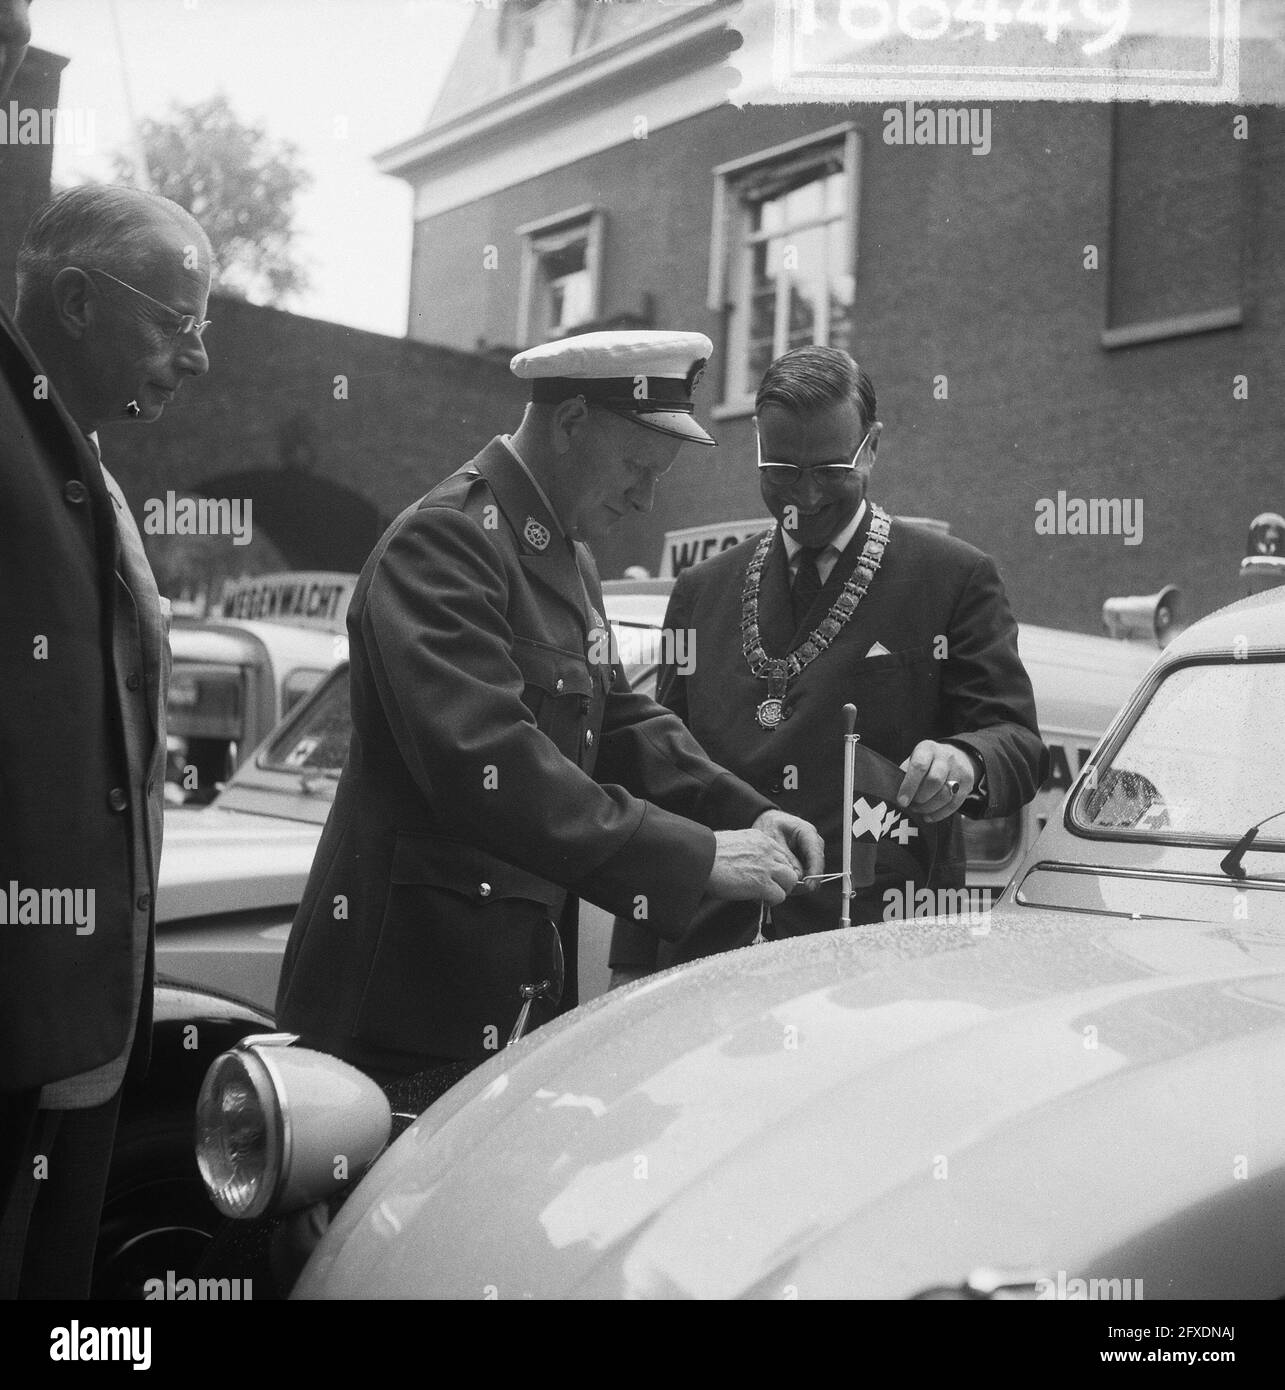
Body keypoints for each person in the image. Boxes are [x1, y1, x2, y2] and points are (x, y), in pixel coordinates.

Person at [274, 330, 824, 1082]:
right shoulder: (446, 539)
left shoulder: (565, 554)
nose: (644, 497)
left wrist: (737, 812)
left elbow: (617, 719)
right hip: (403, 1004)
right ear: (569, 423)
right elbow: (483, 758)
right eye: (636, 466)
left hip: (502, 989)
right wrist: (695, 857)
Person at [610, 346, 1047, 981]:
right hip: (705, 962)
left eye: (830, 469)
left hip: (879, 963)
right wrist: (632, 958)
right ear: (757, 447)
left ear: (870, 448)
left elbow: (1017, 742)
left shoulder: (952, 578)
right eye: (783, 470)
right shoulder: (702, 591)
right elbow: (662, 776)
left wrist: (966, 761)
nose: (806, 495)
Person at [0, 183, 212, 1297]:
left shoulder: (82, 461)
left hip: (80, 1016)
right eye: (177, 324)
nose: (199, 357)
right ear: (76, 302)